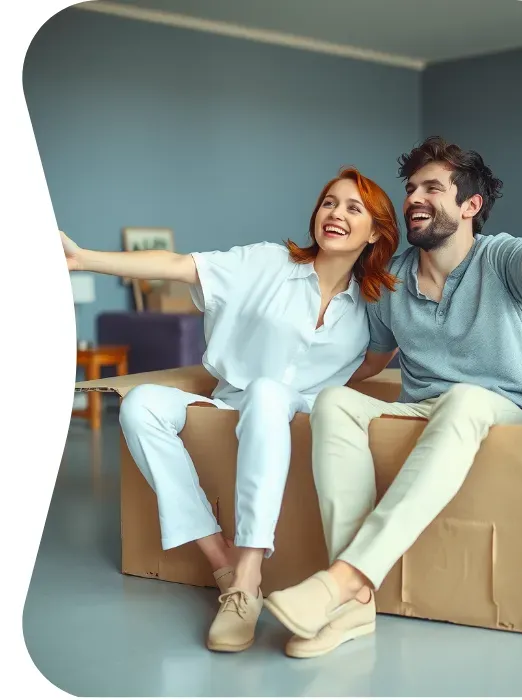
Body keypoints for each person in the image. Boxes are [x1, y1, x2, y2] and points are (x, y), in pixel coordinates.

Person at [264, 136, 522, 658]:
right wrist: (290, 387)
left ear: (470, 206)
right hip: (423, 411)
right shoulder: (392, 281)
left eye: (432, 188)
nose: (414, 197)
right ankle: (356, 607)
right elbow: (369, 362)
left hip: (499, 410)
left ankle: (344, 579)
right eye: (411, 188)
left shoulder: (500, 258)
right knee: (332, 404)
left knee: (465, 398)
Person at [61, 166, 400, 653]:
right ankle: (225, 564)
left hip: (303, 413)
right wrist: (84, 258)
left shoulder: (373, 305)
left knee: (268, 393)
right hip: (231, 401)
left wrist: (328, 387)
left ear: (375, 233)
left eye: (353, 208)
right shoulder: (266, 263)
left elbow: (371, 364)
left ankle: (248, 573)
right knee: (141, 405)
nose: (336, 214)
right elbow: (177, 265)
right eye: (329, 202)